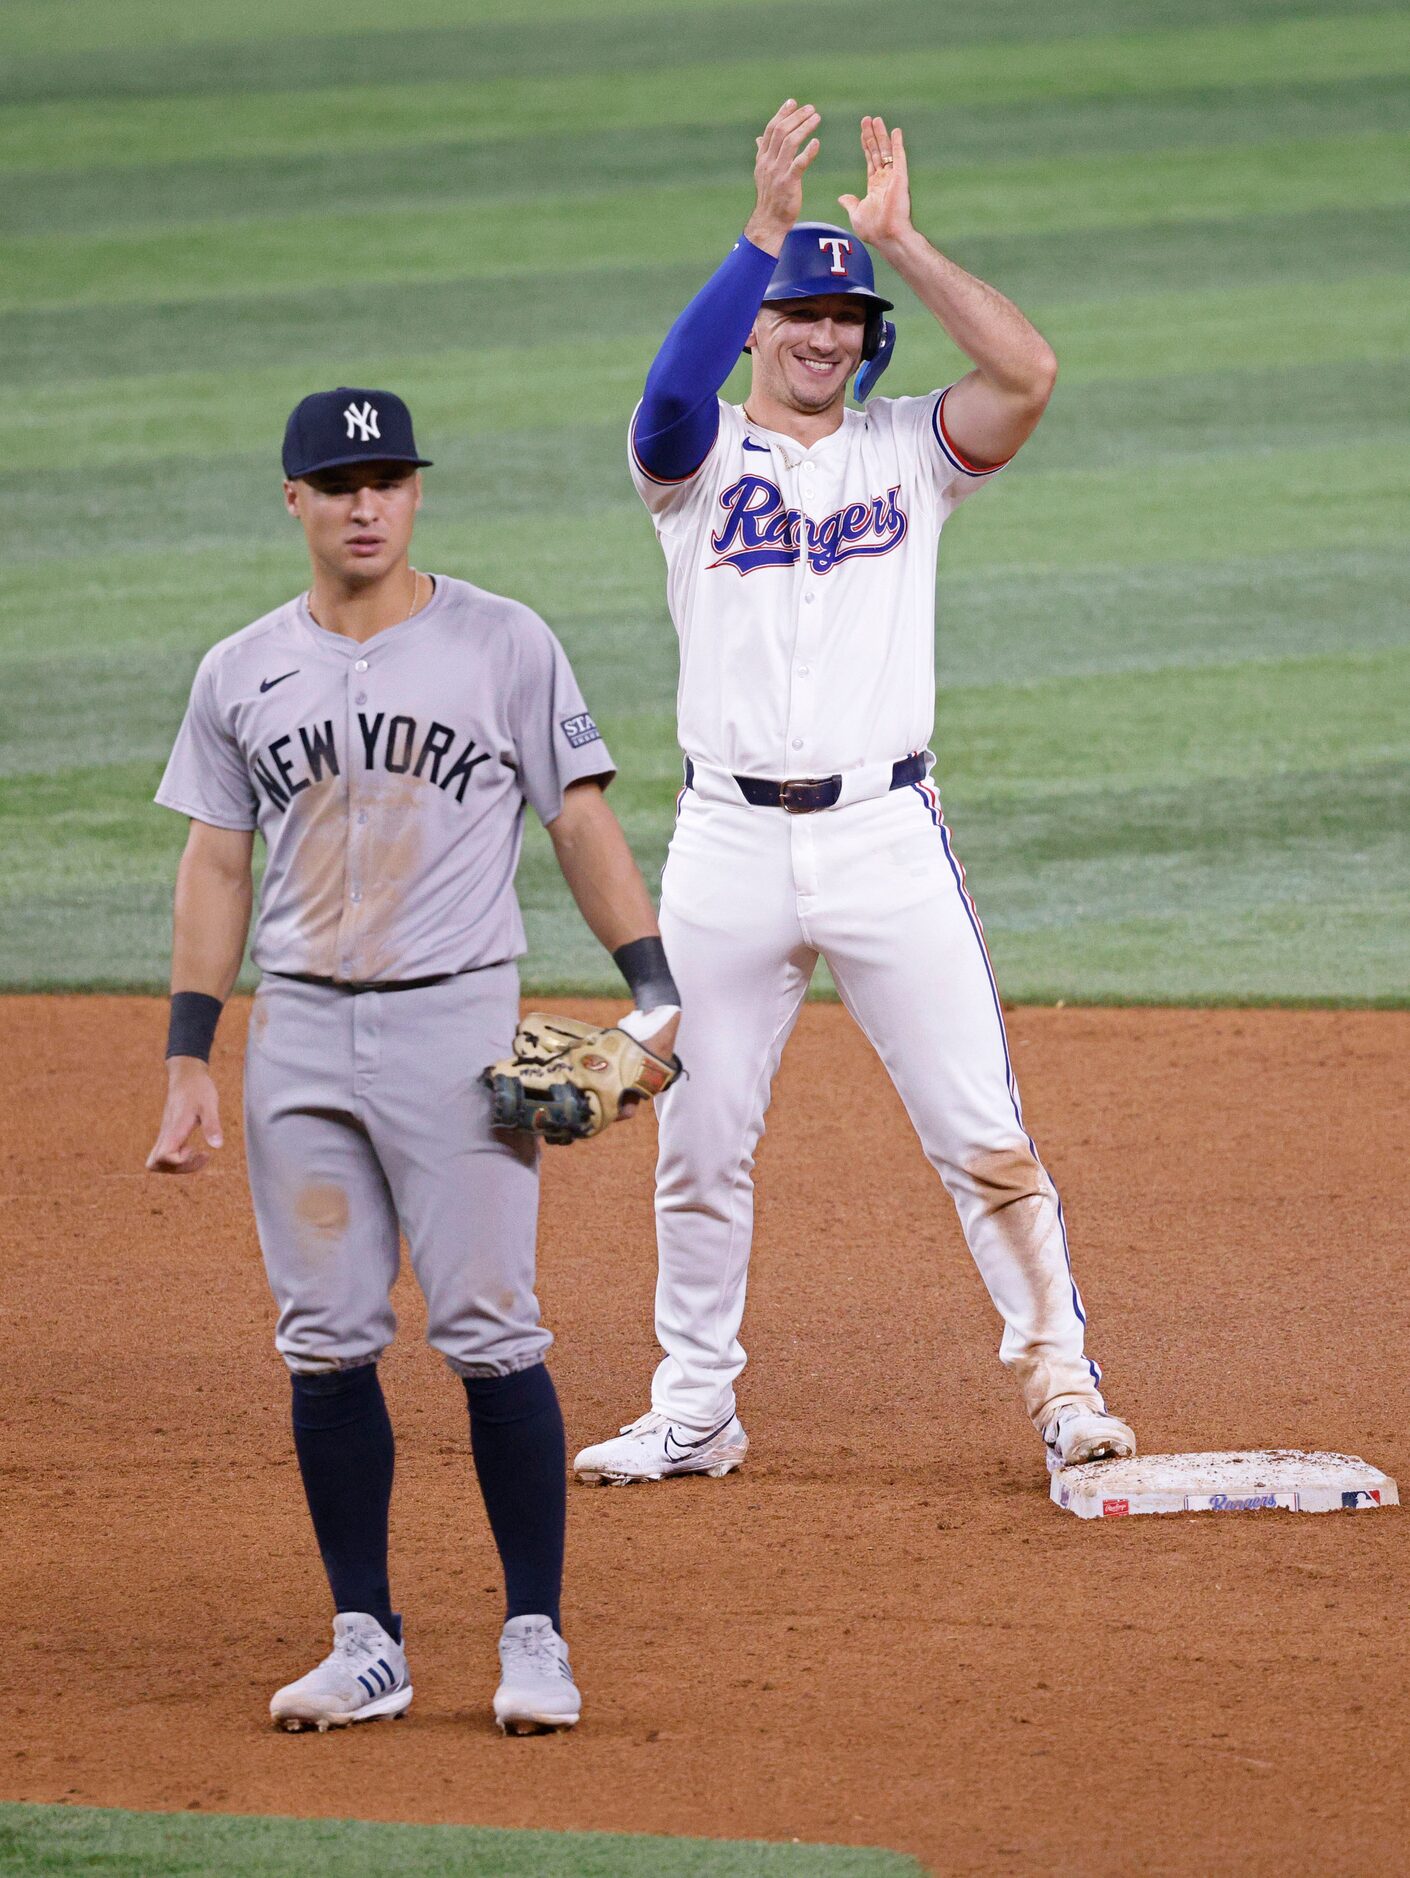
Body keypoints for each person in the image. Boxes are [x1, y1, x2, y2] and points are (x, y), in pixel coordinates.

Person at [572, 106, 1136, 1489]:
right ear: (755, 326)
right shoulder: (690, 464)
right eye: (796, 313)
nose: (821, 335)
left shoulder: (911, 452)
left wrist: (901, 243)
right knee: (699, 1140)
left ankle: (1063, 1381)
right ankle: (696, 1405)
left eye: (844, 315)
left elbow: (1029, 369)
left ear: (868, 337)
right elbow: (661, 391)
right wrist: (758, 235)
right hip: (725, 843)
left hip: (888, 832)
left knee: (980, 1133)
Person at [145, 386, 681, 1734]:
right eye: (339, 483)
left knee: (492, 1331)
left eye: (388, 477)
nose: (366, 503)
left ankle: (535, 1634)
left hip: (454, 1026)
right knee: (325, 1341)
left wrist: (651, 986)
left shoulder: (503, 642)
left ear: (416, 491)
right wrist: (189, 1054)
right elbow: (216, 861)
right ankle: (364, 1637)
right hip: (302, 1041)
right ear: (295, 502)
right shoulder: (237, 670)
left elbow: (575, 817)